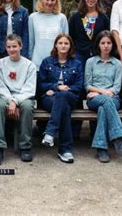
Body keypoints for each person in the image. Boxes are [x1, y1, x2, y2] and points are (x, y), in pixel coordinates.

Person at [0, 34, 37, 166]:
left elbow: (29, 88)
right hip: (4, 96)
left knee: (28, 107)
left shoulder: (29, 65)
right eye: (9, 47)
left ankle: (25, 146)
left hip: (23, 96)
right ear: (5, 48)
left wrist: (15, 101)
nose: (12, 49)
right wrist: (10, 100)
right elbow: (0, 86)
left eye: (15, 46)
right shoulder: (0, 64)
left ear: (20, 46)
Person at [84, 31, 122, 163]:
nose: (106, 46)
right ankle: (118, 138)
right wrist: (101, 92)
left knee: (104, 108)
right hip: (94, 99)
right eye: (103, 43)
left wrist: (101, 93)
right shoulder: (90, 62)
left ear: (112, 45)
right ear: (98, 45)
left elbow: (116, 88)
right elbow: (87, 85)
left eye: (109, 43)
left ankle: (101, 148)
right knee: (105, 101)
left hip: (112, 98)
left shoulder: (117, 64)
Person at [38, 33, 83, 163]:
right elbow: (40, 84)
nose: (63, 46)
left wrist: (59, 90)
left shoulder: (77, 63)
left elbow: (78, 86)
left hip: (70, 97)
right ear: (56, 45)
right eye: (61, 43)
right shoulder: (47, 62)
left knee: (63, 97)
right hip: (49, 99)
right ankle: (65, 150)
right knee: (64, 107)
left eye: (66, 43)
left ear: (70, 46)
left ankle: (50, 133)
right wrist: (56, 87)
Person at [28, 0, 69, 69]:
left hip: (56, 64)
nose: (49, 2)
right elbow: (31, 41)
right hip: (37, 64)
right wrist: (29, 60)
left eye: (52, 0)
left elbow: (66, 42)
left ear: (56, 1)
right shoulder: (33, 17)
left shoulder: (62, 18)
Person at [69, 0, 110, 66]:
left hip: (98, 56)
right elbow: (71, 37)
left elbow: (107, 37)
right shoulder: (75, 17)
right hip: (79, 56)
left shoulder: (103, 17)